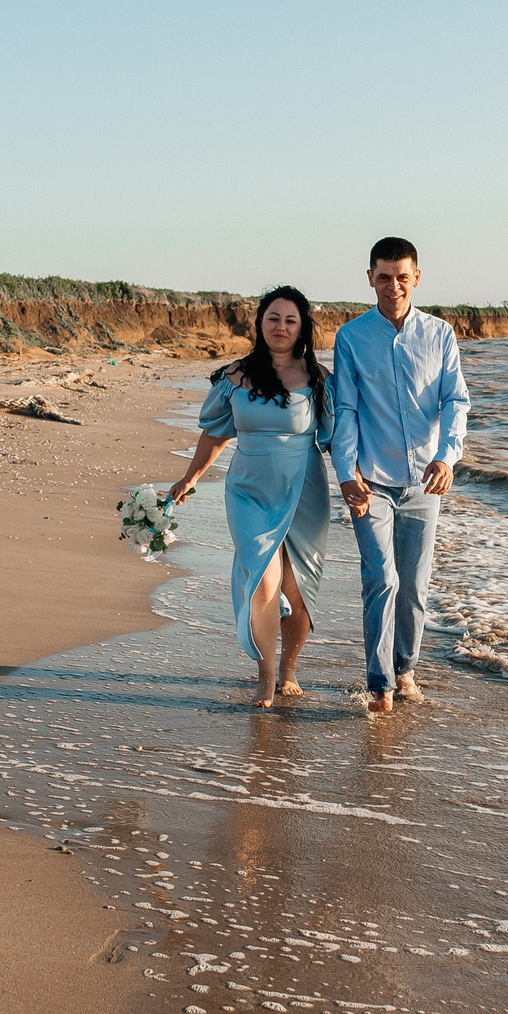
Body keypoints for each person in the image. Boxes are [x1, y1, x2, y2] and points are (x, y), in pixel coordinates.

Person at [168, 286, 336, 708]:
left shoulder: (319, 380)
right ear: (260, 323)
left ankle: (290, 669)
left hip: (305, 489)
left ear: (302, 329)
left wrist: (359, 481)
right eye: (273, 318)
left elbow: (340, 440)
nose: (281, 327)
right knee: (262, 583)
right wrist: (190, 478)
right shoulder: (235, 377)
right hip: (248, 491)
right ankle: (265, 676)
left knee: (297, 593)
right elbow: (216, 432)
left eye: (290, 320)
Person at [331, 237, 469, 714]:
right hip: (370, 480)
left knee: (413, 585)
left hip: (424, 483)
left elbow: (455, 401)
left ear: (417, 277)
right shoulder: (350, 338)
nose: (393, 285)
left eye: (402, 276)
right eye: (384, 276)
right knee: (381, 578)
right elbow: (345, 407)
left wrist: (448, 457)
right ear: (370, 277)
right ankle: (379, 683)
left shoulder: (441, 334)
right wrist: (345, 471)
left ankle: (405, 667)